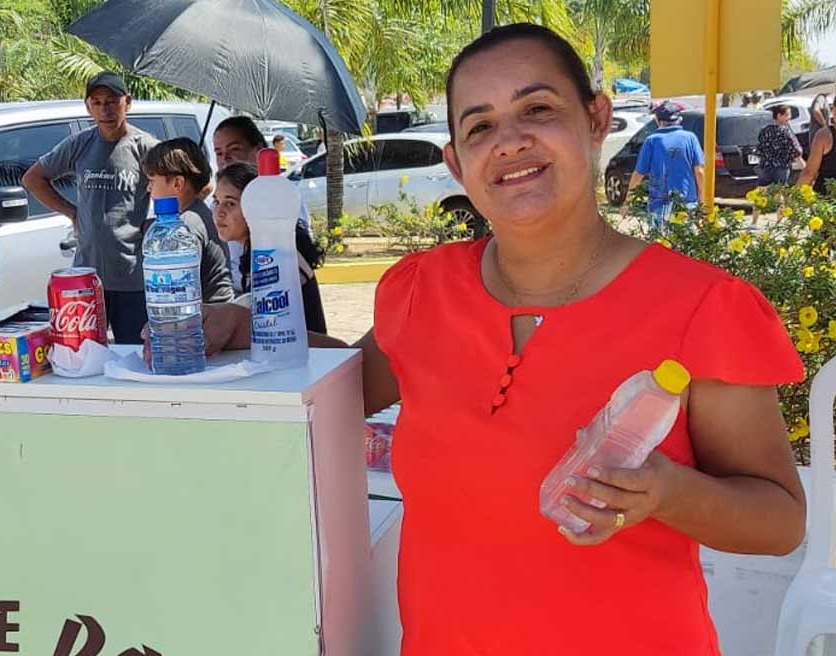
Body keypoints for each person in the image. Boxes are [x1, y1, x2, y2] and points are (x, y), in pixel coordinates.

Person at [188, 23, 807, 655]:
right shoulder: (421, 291)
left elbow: (780, 521)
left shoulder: (703, 307)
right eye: (479, 126)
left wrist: (669, 492)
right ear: (456, 160)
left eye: (537, 109)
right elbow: (347, 386)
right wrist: (247, 327)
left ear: (595, 119)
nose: (509, 143)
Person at [23, 70, 159, 343]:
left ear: (127, 102)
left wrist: (159, 220)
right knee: (84, 354)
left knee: (132, 353)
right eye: (96, 102)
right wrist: (71, 211)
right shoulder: (79, 144)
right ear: (88, 107)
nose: (104, 109)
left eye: (111, 101)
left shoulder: (145, 147)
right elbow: (32, 178)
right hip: (85, 277)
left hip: (132, 277)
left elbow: (193, 184)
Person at [212, 162, 327, 332]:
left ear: (256, 207)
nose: (219, 212)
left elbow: (272, 325)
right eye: (216, 202)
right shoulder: (254, 251)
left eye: (230, 204)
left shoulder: (278, 255)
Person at [143, 138, 235, 305]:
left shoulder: (186, 225)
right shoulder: (197, 212)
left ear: (177, 183)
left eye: (152, 181)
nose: (149, 188)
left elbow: (176, 289)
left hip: (207, 319)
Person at [625, 101, 706, 227]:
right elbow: (699, 171)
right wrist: (702, 201)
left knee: (660, 243)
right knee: (684, 245)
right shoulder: (690, 138)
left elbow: (638, 175)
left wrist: (628, 202)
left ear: (658, 121)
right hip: (687, 205)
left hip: (659, 205)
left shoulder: (651, 141)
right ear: (679, 120)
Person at [799, 100, 836, 194]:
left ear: (833, 110)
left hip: (827, 198)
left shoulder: (824, 135)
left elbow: (810, 172)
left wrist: (794, 196)